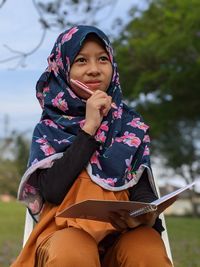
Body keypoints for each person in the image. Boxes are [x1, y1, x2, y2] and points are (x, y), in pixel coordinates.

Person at [11, 25, 173, 267]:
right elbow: (52, 191)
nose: (94, 70)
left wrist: (144, 218)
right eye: (81, 60)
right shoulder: (49, 128)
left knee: (146, 248)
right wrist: (89, 128)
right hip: (61, 235)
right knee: (74, 250)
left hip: (119, 238)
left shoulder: (131, 126)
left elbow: (141, 193)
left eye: (102, 59)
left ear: (113, 67)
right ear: (63, 69)